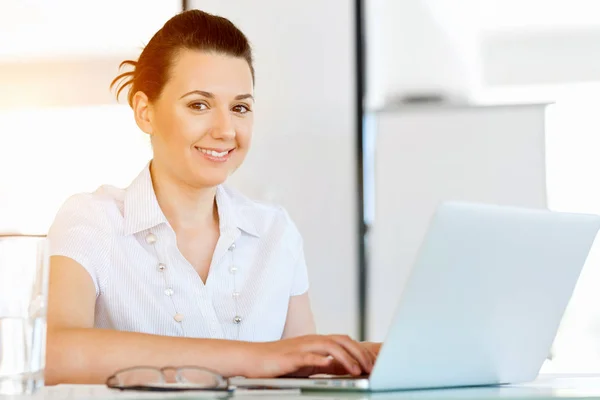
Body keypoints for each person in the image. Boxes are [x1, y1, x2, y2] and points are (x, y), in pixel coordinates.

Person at [45, 9, 379, 385]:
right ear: (145, 112)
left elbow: (301, 374)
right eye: (198, 105)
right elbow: (56, 354)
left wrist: (362, 359)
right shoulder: (92, 221)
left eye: (240, 108)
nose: (225, 130)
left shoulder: (275, 232)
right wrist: (256, 358)